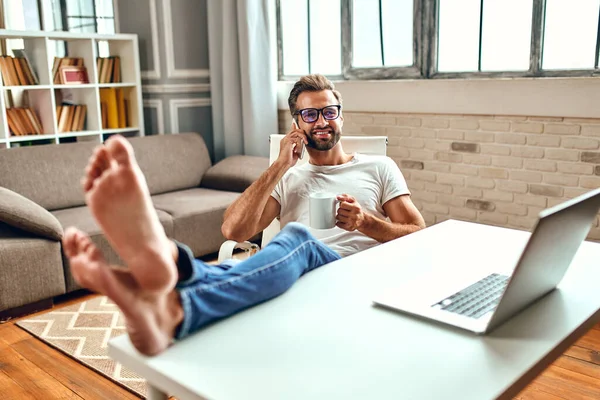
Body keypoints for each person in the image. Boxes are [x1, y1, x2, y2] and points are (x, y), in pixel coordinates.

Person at [62, 74, 425, 356]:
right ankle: (164, 281)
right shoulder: (287, 175)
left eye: (329, 112)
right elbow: (233, 231)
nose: (322, 121)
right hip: (295, 274)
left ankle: (172, 286)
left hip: (353, 272)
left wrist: (366, 222)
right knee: (230, 268)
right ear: (297, 122)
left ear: (341, 116)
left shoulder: (379, 167)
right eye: (310, 114)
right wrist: (279, 166)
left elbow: (419, 233)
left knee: (297, 239)